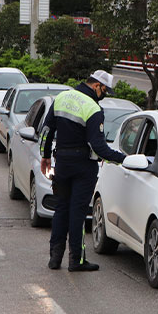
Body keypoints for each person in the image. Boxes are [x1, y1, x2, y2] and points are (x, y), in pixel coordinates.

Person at [40, 70, 126, 272]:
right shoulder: (93, 108)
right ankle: (76, 261)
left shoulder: (62, 97)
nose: (104, 95)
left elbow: (46, 130)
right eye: (105, 91)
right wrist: (122, 159)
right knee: (77, 212)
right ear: (97, 86)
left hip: (61, 161)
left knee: (61, 208)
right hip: (83, 166)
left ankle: (54, 259)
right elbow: (97, 146)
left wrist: (45, 156)